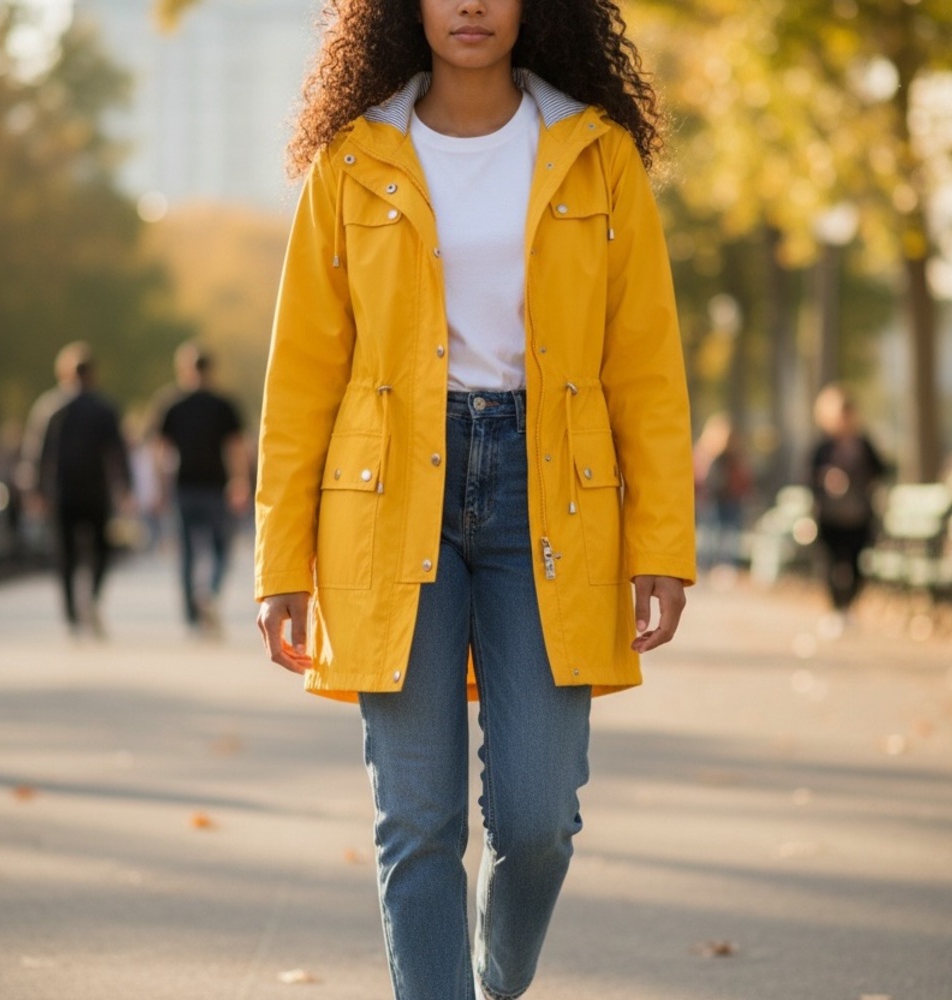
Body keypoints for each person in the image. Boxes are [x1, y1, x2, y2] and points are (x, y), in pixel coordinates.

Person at [255, 0, 696, 997]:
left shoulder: (597, 154)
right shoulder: (351, 159)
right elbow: (302, 379)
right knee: (416, 820)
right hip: (386, 499)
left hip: (553, 496)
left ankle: (496, 973)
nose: (469, 4)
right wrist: (282, 562)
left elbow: (645, 367)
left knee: (538, 817)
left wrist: (662, 544)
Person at [20, 342, 132, 635]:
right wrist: (125, 487)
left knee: (66, 553)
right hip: (95, 490)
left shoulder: (50, 407)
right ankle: (91, 597)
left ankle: (71, 613)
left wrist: (35, 490)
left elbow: (36, 452)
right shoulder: (103, 407)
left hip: (62, 491)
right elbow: (118, 451)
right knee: (101, 549)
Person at [157, 342, 250, 634]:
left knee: (186, 553)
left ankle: (192, 615)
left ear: (183, 369)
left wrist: (160, 487)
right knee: (221, 548)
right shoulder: (223, 404)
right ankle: (209, 593)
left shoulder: (172, 403)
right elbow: (236, 449)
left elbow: (160, 451)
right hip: (215, 487)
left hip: (184, 486)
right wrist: (240, 482)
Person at [809, 383, 887, 625]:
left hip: (859, 514)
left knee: (857, 564)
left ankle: (849, 607)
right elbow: (809, 475)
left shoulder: (863, 444)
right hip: (830, 515)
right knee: (830, 564)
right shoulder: (823, 447)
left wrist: (863, 481)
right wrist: (826, 478)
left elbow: (881, 470)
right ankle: (836, 610)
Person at [693, 412, 754, 573]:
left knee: (729, 534)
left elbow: (743, 477)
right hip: (710, 499)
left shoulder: (734, 455)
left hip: (730, 499)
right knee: (709, 533)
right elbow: (697, 476)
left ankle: (725, 565)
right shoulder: (704, 453)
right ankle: (705, 565)